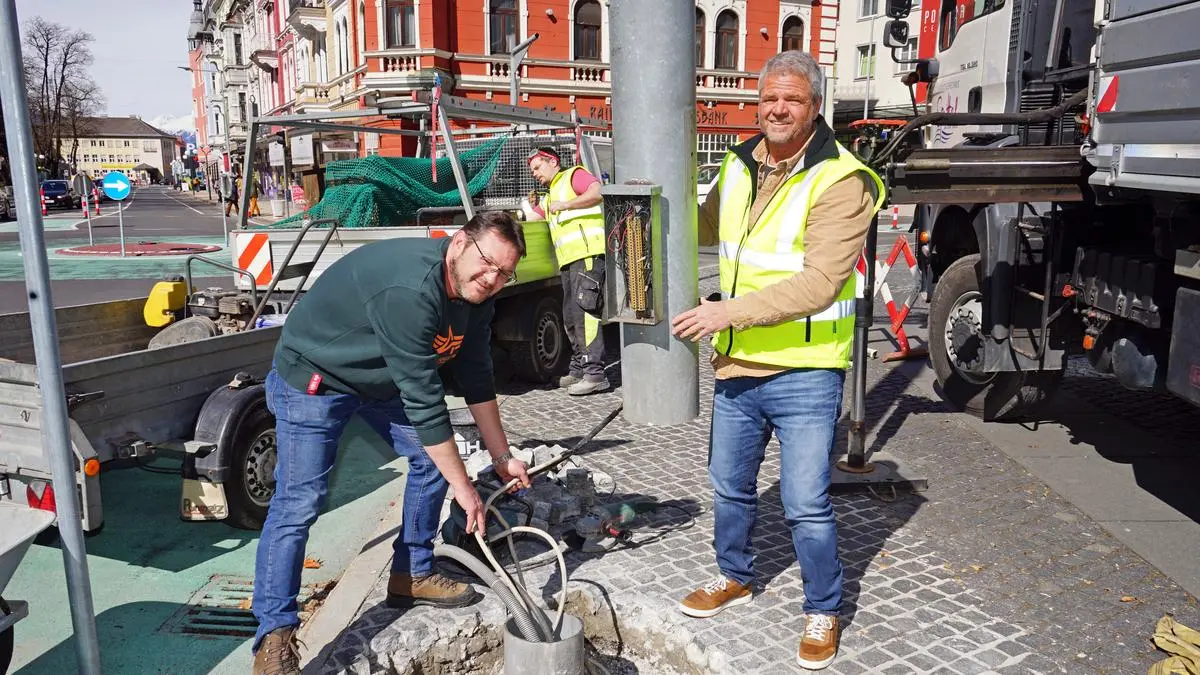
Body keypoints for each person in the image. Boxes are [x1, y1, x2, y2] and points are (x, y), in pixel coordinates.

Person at [670, 51, 884, 671]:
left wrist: (723, 314)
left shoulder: (841, 180)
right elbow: (697, 225)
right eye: (769, 98)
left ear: (815, 105)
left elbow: (820, 283)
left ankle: (824, 607)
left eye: (792, 99)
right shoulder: (739, 165)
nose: (778, 109)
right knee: (730, 487)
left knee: (804, 502)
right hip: (739, 367)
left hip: (806, 371)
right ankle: (733, 575)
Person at [251, 211, 534, 675]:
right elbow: (425, 403)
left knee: (430, 461)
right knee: (300, 501)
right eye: (487, 263)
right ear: (460, 243)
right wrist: (465, 489)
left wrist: (503, 458)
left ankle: (410, 572)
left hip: (379, 381)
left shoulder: (477, 294)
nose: (492, 278)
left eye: (504, 272)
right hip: (316, 376)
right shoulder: (412, 290)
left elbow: (477, 376)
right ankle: (274, 637)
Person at [526, 147, 610, 396]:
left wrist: (568, 204)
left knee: (586, 314)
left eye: (537, 168)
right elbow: (533, 218)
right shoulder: (550, 194)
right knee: (571, 317)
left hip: (587, 255)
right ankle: (577, 368)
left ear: (552, 161)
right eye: (532, 171)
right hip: (569, 260)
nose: (534, 174)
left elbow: (598, 193)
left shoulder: (574, 175)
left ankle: (595, 374)